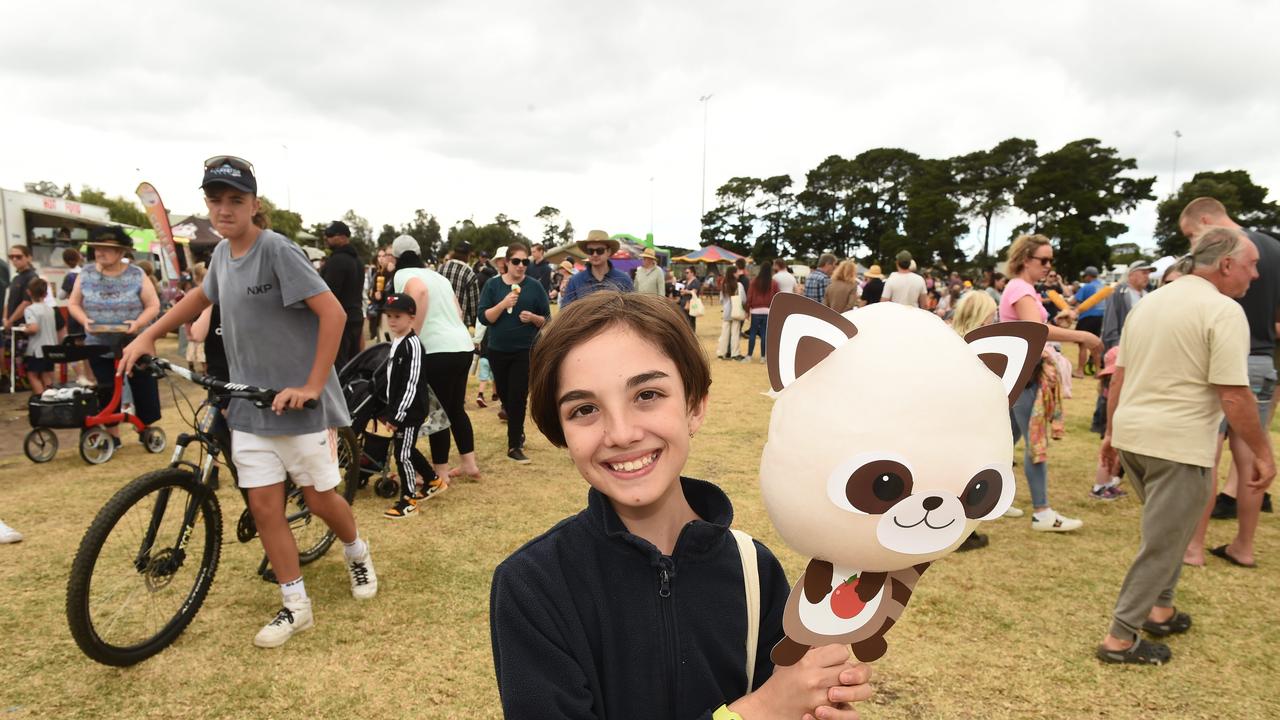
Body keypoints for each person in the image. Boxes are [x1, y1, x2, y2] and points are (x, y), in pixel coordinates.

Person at [490, 290, 874, 719]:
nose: (620, 433)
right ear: (560, 432)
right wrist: (758, 711)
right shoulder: (533, 586)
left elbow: (786, 699)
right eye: (584, 409)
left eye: (647, 395)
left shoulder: (754, 571)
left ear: (694, 406)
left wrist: (813, 701)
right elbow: (767, 706)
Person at [120, 155, 378, 649]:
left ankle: (356, 551)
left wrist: (310, 384)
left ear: (254, 205)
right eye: (215, 200)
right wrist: (149, 335)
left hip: (296, 409)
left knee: (323, 499)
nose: (224, 209)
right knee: (264, 508)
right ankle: (295, 606)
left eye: (235, 200)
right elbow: (198, 299)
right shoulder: (221, 257)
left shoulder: (277, 250)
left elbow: (334, 315)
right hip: (247, 409)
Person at [1096, 227, 1274, 665]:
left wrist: (1112, 434)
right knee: (1163, 541)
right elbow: (1234, 394)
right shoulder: (1223, 311)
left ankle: (1162, 609)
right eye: (1251, 265)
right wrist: (1263, 453)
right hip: (1177, 443)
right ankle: (1119, 638)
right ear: (1226, 264)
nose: (1255, 275)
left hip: (1137, 436)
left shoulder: (1153, 300)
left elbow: (1120, 375)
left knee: (1171, 532)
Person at [1179, 197, 1280, 566]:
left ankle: (1193, 546)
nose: (1194, 244)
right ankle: (1244, 547)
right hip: (1262, 359)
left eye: (1192, 234)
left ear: (1206, 221)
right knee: (1251, 455)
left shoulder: (1220, 250)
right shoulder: (1272, 246)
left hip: (1218, 357)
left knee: (1208, 453)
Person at [1000, 234, 1098, 532]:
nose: (1048, 265)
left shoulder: (1023, 288)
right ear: (1025, 259)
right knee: (1034, 441)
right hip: (1026, 374)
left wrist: (1061, 320)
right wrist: (1082, 336)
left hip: (1021, 373)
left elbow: (1034, 323)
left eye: (1050, 260)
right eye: (1043, 260)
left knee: (1005, 442)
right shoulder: (1020, 287)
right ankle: (1042, 512)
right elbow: (1035, 329)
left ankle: (995, 499)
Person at [389, 235, 483, 483]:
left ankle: (440, 472)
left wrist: (411, 337)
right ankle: (469, 464)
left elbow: (418, 291)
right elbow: (459, 311)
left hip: (436, 349)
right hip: (462, 345)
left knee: (437, 413)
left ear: (397, 257)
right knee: (455, 408)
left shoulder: (403, 274)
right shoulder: (438, 276)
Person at [67, 227, 162, 445]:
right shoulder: (86, 273)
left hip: (134, 342)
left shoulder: (136, 274)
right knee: (106, 387)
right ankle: (113, 435)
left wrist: (137, 323)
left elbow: (153, 305)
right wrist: (84, 321)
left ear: (121, 252)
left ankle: (146, 429)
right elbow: (73, 303)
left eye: (107, 249)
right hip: (98, 343)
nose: (100, 252)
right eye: (98, 248)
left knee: (142, 384)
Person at [478, 242, 552, 463]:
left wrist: (533, 318)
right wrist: (503, 304)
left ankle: (514, 446)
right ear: (506, 263)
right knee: (505, 395)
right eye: (517, 261)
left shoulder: (534, 287)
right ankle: (516, 430)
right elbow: (484, 318)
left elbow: (547, 320)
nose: (521, 266)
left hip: (525, 351)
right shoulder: (493, 286)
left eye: (525, 262)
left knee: (518, 396)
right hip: (497, 349)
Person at [375, 292, 442, 518]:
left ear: (411, 318)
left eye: (398, 316)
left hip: (409, 411)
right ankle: (433, 480)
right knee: (407, 449)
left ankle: (409, 500)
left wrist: (397, 416)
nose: (392, 321)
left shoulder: (412, 345)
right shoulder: (397, 341)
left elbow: (411, 383)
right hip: (399, 409)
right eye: (389, 316)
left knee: (402, 455)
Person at [950, 289, 1000, 551]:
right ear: (982, 318)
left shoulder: (948, 339)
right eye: (992, 316)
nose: (995, 321)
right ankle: (963, 533)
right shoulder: (980, 348)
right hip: (968, 425)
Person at [320, 220, 366, 369]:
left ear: (342, 237)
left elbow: (329, 294)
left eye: (330, 235)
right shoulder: (358, 261)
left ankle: (342, 393)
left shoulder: (337, 261)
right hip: (356, 318)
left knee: (338, 367)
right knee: (353, 366)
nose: (326, 238)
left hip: (341, 321)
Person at [560, 230, 633, 307]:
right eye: (590, 251)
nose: (595, 254)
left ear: (608, 251)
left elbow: (633, 310)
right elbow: (566, 312)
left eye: (600, 250)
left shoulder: (623, 279)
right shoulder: (575, 281)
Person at [1101, 262, 1153, 352]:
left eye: (1148, 273)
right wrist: (1116, 346)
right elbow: (1110, 322)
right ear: (1131, 275)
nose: (1147, 277)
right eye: (1144, 273)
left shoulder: (1149, 295)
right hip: (1124, 347)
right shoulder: (1118, 293)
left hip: (1144, 347)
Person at [21, 278, 56, 394]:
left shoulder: (30, 309)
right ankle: (50, 399)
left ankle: (40, 400)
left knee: (32, 375)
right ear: (46, 294)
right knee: (46, 374)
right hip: (51, 348)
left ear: (28, 292)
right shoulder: (50, 309)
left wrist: (24, 329)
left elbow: (34, 328)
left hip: (37, 350)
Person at [1072, 266, 1106, 376]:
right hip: (1100, 318)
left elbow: (1075, 300)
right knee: (1095, 345)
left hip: (1087, 318)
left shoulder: (1087, 287)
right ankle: (1098, 371)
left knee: (1083, 345)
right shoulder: (1102, 286)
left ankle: (1080, 371)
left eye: (1085, 276)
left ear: (1088, 276)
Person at [439, 241, 479, 328]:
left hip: (440, 320)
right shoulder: (469, 273)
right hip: (459, 323)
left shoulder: (442, 268)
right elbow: (474, 307)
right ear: (468, 255)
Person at [745, 263, 779, 362]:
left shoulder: (754, 282)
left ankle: (749, 356)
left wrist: (747, 311)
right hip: (768, 311)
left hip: (755, 311)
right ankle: (763, 357)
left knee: (752, 333)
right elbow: (777, 296)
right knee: (764, 334)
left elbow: (749, 297)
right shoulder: (774, 283)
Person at [3, 245, 36, 336]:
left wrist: (10, 320)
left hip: (24, 325)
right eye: (11, 257)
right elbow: (8, 300)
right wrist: (5, 319)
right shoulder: (16, 277)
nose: (14, 259)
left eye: (18, 257)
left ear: (28, 258)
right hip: (12, 325)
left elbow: (26, 302)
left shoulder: (32, 277)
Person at [717, 266, 746, 361]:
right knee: (735, 334)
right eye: (737, 272)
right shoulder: (739, 285)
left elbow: (721, 300)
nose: (738, 274)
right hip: (736, 311)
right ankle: (735, 353)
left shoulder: (724, 285)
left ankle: (721, 353)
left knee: (724, 334)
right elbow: (743, 299)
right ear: (733, 273)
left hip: (726, 312)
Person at [678, 266, 703, 331]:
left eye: (687, 272)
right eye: (685, 272)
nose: (686, 274)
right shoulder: (687, 281)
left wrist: (685, 291)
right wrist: (683, 292)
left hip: (691, 304)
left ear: (692, 273)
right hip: (684, 303)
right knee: (684, 320)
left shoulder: (696, 281)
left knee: (691, 320)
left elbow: (694, 291)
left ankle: (691, 335)